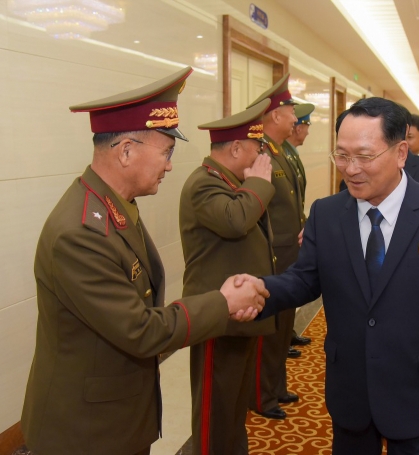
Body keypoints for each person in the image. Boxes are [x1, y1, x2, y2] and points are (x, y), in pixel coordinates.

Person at [20, 67, 267, 455]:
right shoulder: (81, 232)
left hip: (116, 412)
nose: (170, 165)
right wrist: (223, 303)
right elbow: (140, 330)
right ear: (126, 151)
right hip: (86, 432)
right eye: (166, 152)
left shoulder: (113, 206)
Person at [244, 97, 419, 454]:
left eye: (364, 156)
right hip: (351, 392)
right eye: (342, 155)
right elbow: (304, 279)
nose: (351, 169)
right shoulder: (326, 214)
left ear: (401, 152)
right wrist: (260, 289)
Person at [179, 99, 277, 455]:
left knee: (234, 405)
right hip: (216, 315)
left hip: (240, 314)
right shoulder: (204, 184)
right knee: (215, 410)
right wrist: (262, 184)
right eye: (256, 147)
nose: (261, 155)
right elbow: (236, 220)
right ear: (236, 148)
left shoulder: (233, 180)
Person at [247, 73, 304, 420]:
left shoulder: (282, 151)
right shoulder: (261, 151)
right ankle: (261, 395)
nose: (296, 117)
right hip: (270, 256)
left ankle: (276, 385)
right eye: (290, 110)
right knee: (267, 331)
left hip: (288, 254)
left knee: (283, 327)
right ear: (274, 114)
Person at [284, 103, 316, 348]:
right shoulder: (281, 152)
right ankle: (284, 336)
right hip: (282, 241)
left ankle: (287, 333)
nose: (306, 132)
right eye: (305, 125)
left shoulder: (290, 153)